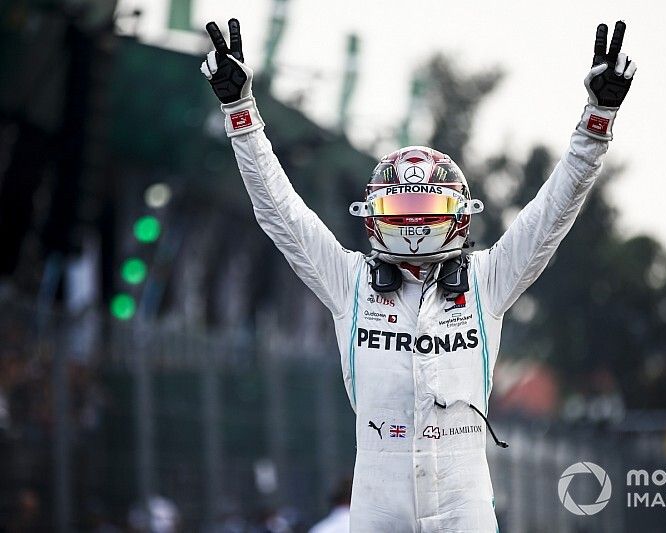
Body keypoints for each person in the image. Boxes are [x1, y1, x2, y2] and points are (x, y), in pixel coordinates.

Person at [201, 18, 636, 532]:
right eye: (399, 206)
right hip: (376, 505)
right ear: (372, 212)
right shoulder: (349, 281)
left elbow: (553, 213)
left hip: (464, 502)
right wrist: (241, 113)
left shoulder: (488, 280)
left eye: (425, 205)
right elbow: (279, 211)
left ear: (459, 213)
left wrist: (596, 120)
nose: (412, 219)